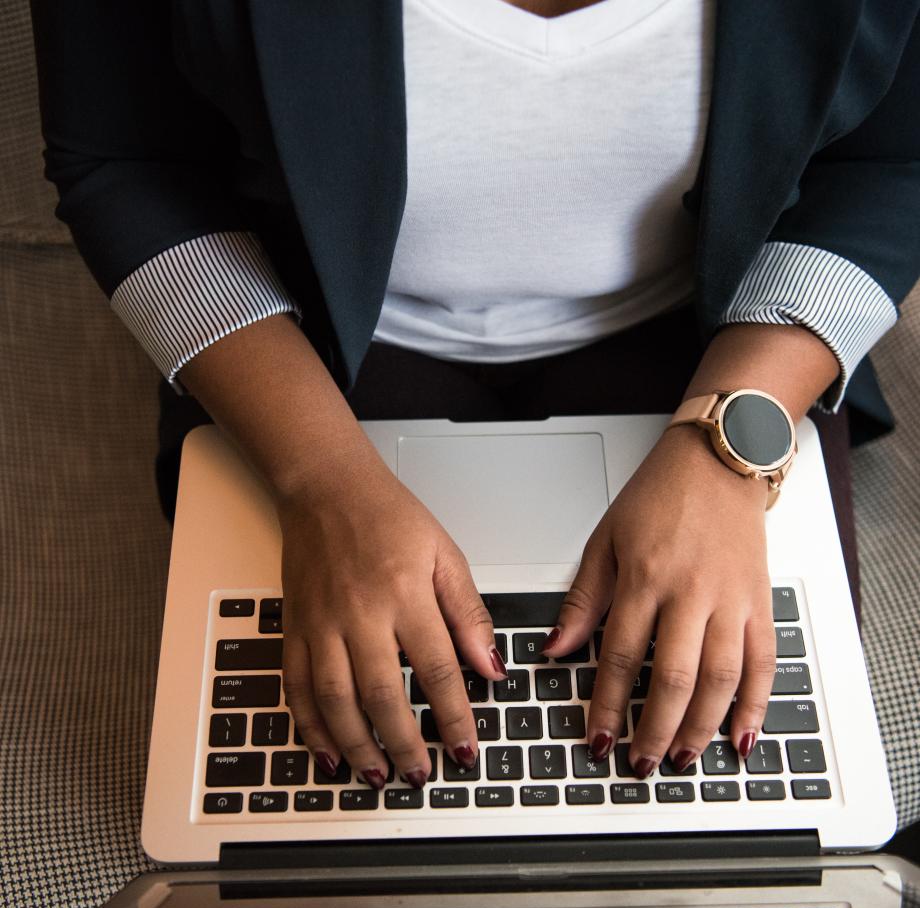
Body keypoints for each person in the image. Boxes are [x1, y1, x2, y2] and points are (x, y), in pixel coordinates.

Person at [31, 0, 920, 795]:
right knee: (324, 787)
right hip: (304, 328)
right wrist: (322, 478)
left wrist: (729, 450)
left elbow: (892, 162)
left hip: (721, 318)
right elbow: (127, 157)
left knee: (740, 784)